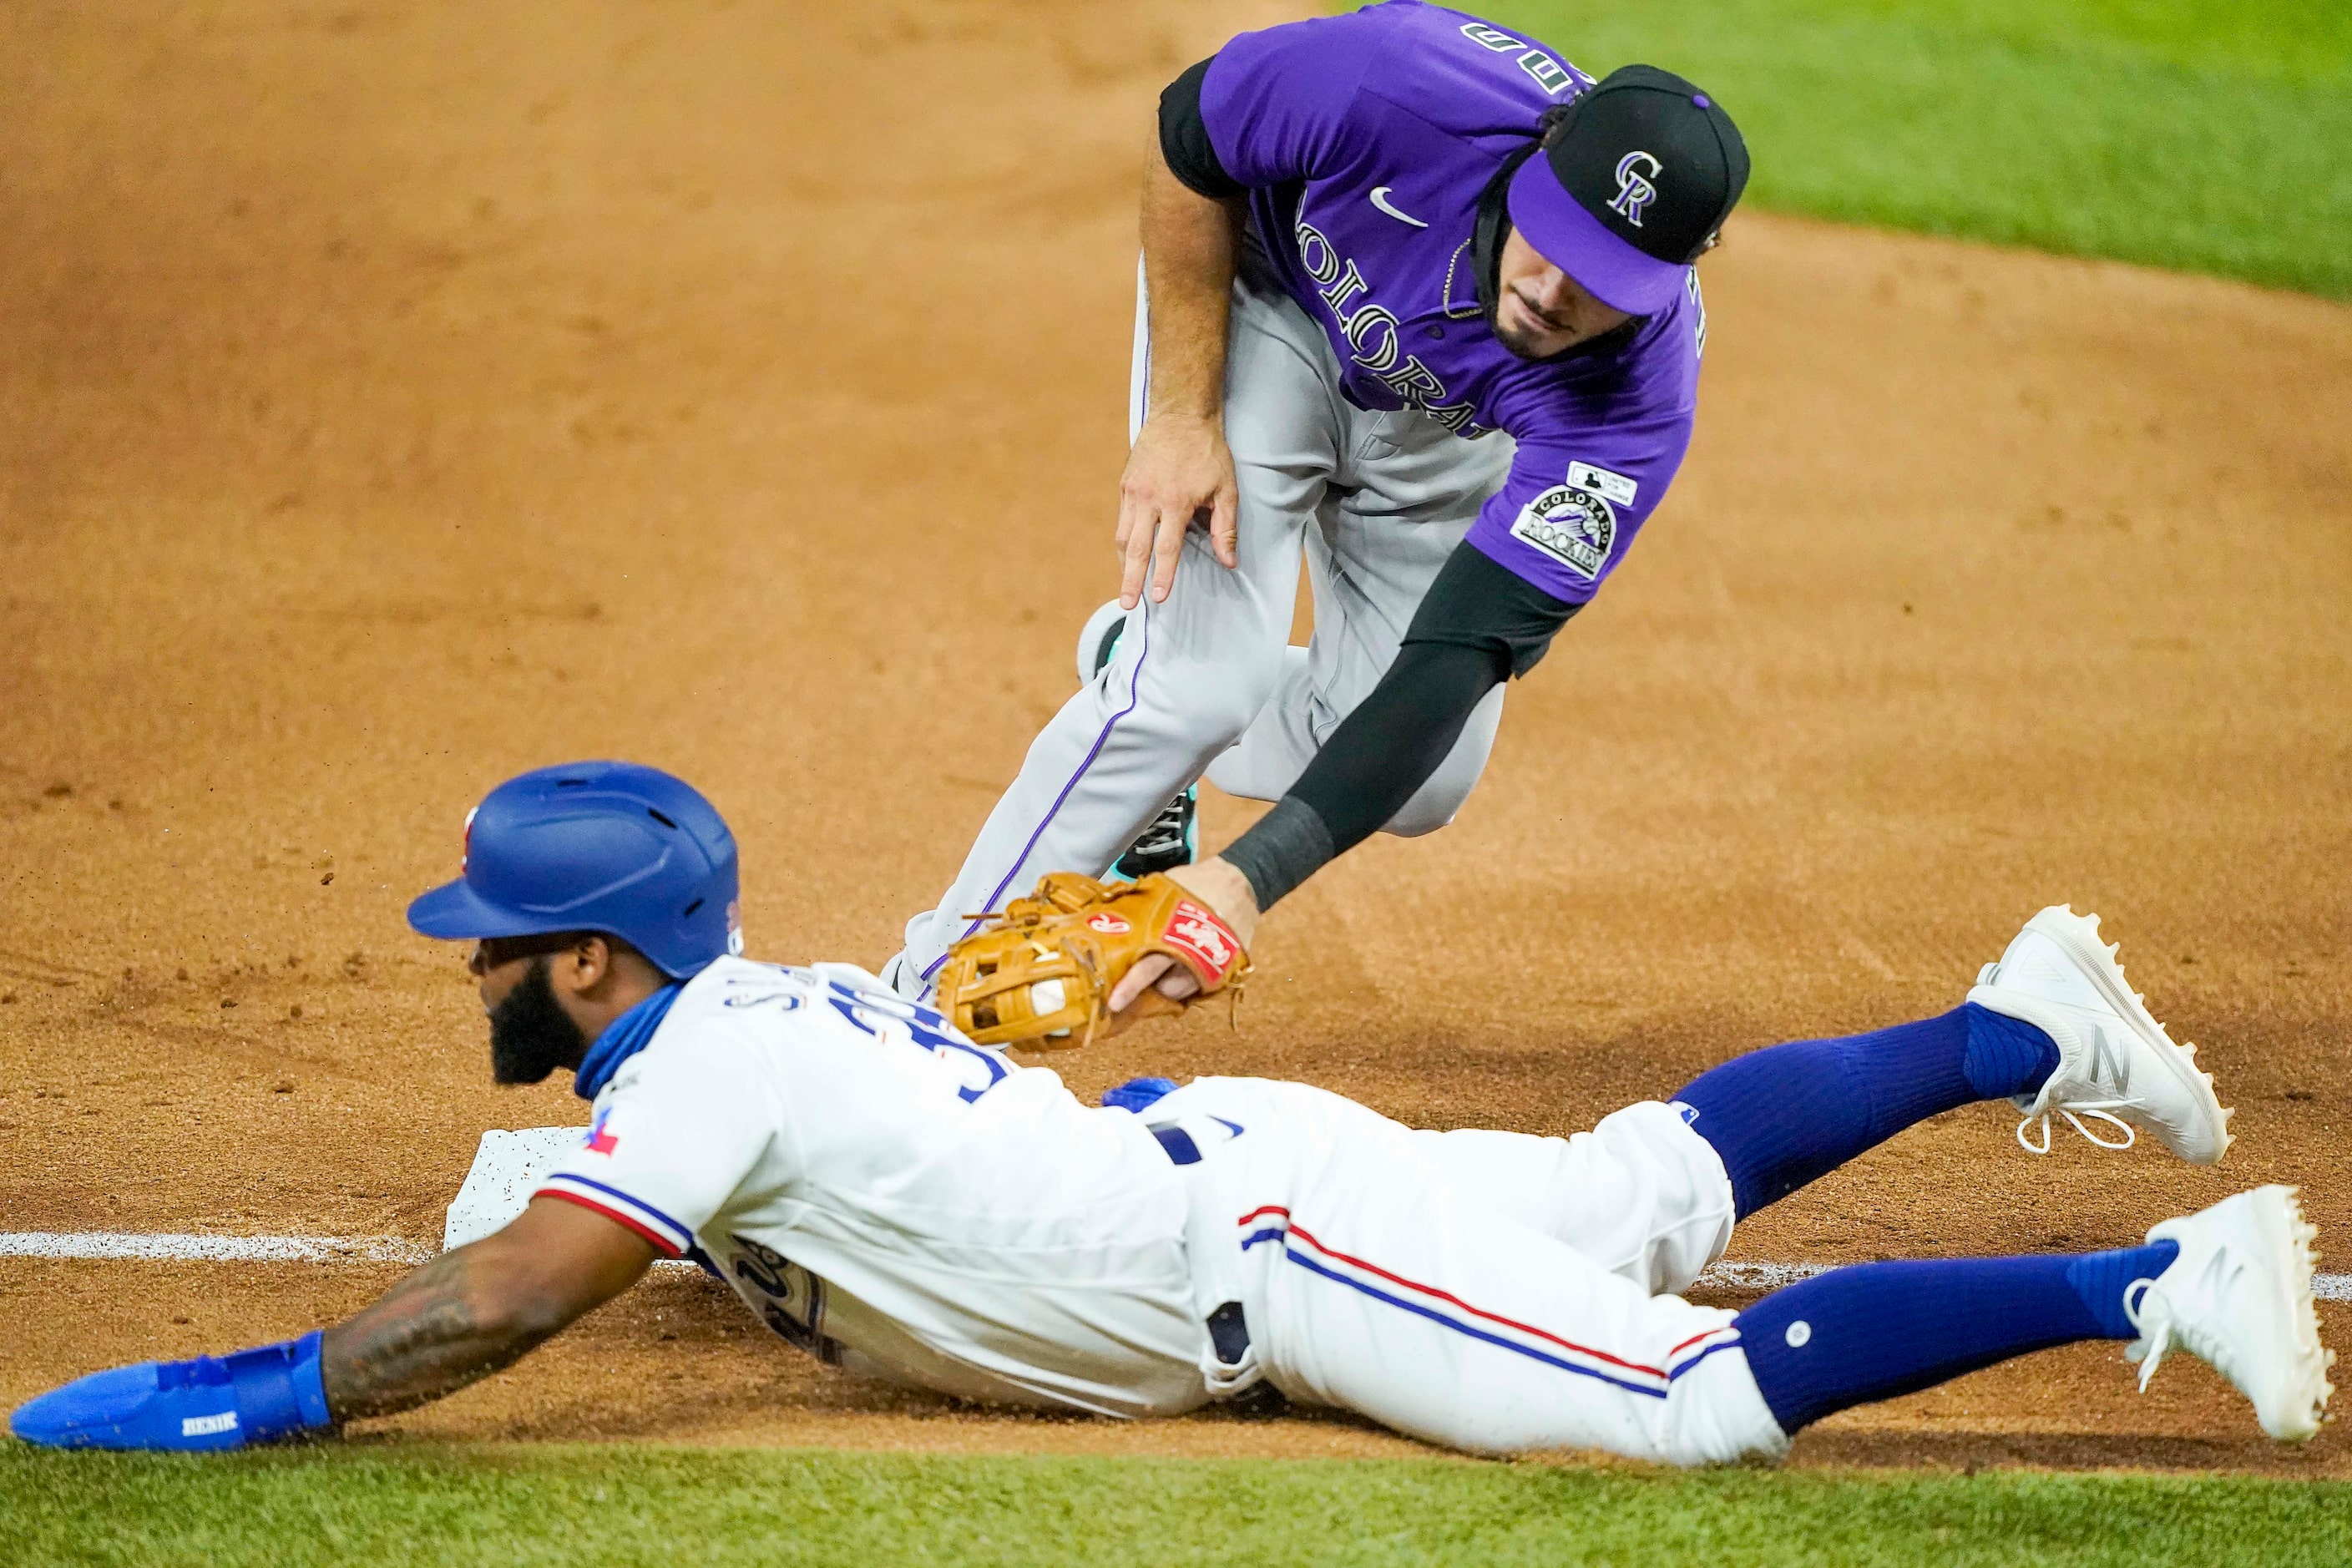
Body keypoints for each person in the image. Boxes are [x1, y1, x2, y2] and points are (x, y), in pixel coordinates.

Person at [11, 764, 2331, 1458]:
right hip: (1244, 1152)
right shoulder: (732, 1017)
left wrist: (269, 1391)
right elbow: (558, 1195)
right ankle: (2016, 1023)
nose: (473, 965)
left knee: (1680, 1392)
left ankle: (2150, 1271)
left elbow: (512, 1293)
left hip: (1275, 1255)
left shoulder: (687, 1086)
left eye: (492, 942)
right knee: (1643, 1185)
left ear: (590, 965)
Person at [888, 3, 1750, 1003]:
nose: (1556, 290)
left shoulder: (1635, 406)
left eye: (1604, 279)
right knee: (1195, 689)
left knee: (1425, 781)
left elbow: (1455, 656)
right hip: (1274, 310)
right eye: (1549, 237)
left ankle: (1132, 658)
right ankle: (913, 1003)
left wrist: (1250, 879)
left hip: (1447, 429)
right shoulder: (1395, 82)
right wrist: (1179, 413)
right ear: (1537, 156)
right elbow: (1188, 135)